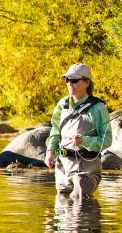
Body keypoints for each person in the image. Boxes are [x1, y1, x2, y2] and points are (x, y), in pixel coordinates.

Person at [45, 63, 111, 199]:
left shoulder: (98, 107)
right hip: (62, 164)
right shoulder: (62, 105)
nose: (70, 83)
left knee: (80, 200)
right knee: (62, 204)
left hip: (87, 168)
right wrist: (50, 151)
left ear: (87, 82)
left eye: (74, 80)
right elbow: (55, 131)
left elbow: (107, 139)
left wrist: (85, 141)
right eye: (67, 80)